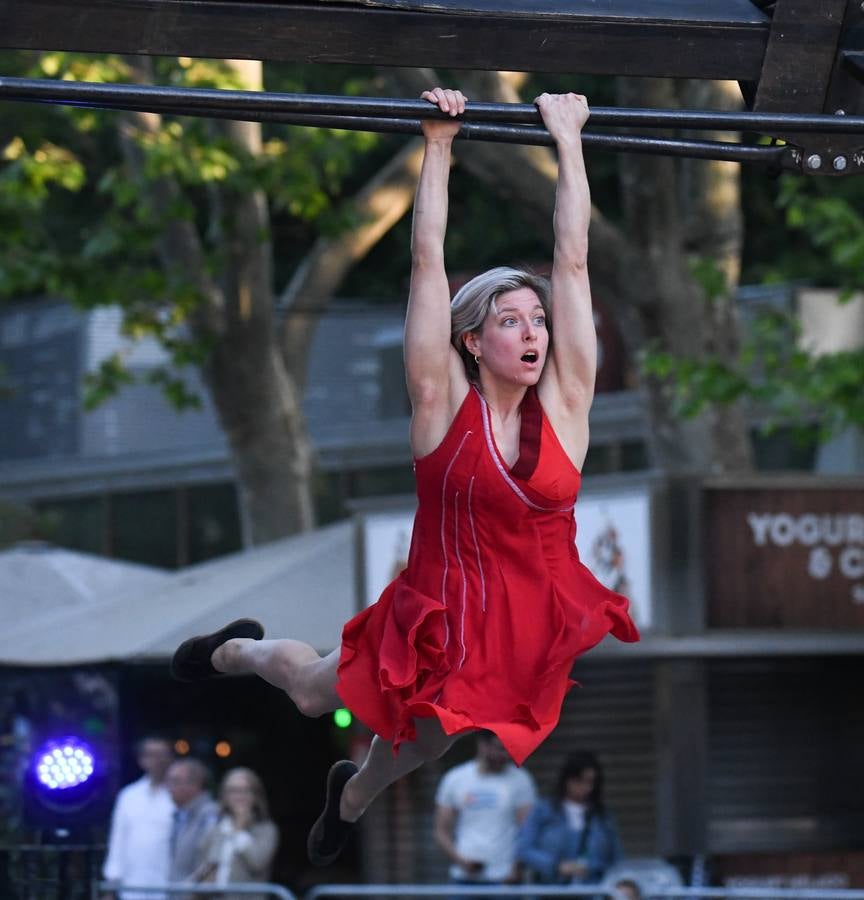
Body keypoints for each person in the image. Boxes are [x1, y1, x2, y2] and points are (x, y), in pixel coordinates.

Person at [166, 84, 639, 866]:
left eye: (537, 319)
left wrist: (568, 139)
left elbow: (575, 260)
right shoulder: (437, 403)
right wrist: (438, 146)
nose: (532, 332)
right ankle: (236, 653)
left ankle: (351, 792)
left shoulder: (568, 402)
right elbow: (426, 260)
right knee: (319, 693)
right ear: (471, 343)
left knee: (422, 747)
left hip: (521, 618)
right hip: (436, 603)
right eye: (509, 321)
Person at [434, 731, 537, 887]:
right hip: (463, 879)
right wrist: (460, 860)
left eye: (508, 749)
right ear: (483, 745)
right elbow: (441, 830)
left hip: (504, 879)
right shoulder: (455, 778)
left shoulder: (521, 780)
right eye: (500, 748)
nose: (505, 755)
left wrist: (517, 867)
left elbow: (527, 830)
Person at [517, 751, 621, 884]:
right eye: (580, 781)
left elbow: (616, 859)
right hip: (551, 890)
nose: (586, 788)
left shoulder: (603, 817)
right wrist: (556, 865)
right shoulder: (543, 811)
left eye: (591, 782)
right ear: (567, 780)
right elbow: (525, 850)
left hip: (593, 890)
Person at [102, 736, 176, 899]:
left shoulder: (178, 796)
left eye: (161, 754)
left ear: (170, 758)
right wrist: (111, 884)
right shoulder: (128, 795)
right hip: (131, 886)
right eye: (151, 755)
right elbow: (118, 841)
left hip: (168, 888)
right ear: (142, 760)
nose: (157, 760)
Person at [191, 767, 279, 891]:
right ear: (224, 795)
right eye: (233, 790)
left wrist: (239, 828)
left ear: (255, 795)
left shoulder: (266, 829)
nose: (239, 796)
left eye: (245, 790)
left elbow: (257, 863)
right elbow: (201, 868)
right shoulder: (216, 829)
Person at [165, 759, 221, 886]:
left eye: (175, 781)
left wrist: (188, 889)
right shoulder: (180, 814)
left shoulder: (211, 814)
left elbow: (210, 861)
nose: (168, 787)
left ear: (195, 784)